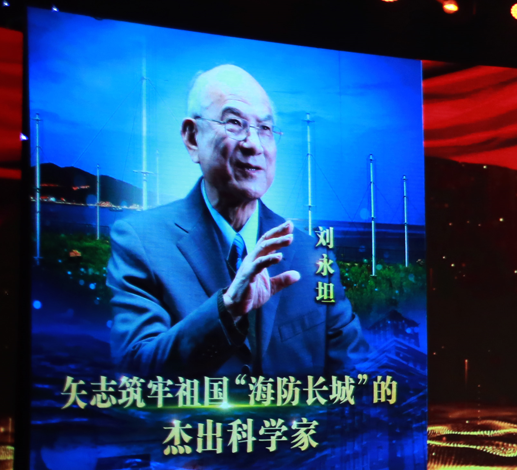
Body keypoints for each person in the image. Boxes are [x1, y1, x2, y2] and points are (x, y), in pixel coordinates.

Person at [106, 64, 368, 377]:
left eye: (265, 129)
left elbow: (355, 374)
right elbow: (134, 369)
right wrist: (228, 308)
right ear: (192, 138)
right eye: (234, 123)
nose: (254, 144)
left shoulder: (312, 254)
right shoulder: (139, 240)